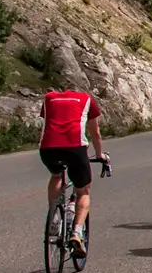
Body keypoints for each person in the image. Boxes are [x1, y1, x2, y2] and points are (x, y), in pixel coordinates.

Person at [38, 84, 108, 257]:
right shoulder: (86, 99)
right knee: (83, 191)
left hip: (48, 148)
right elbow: (95, 132)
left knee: (56, 176)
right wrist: (99, 154)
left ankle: (54, 217)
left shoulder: (50, 98)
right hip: (75, 148)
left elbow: (48, 120)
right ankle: (76, 233)